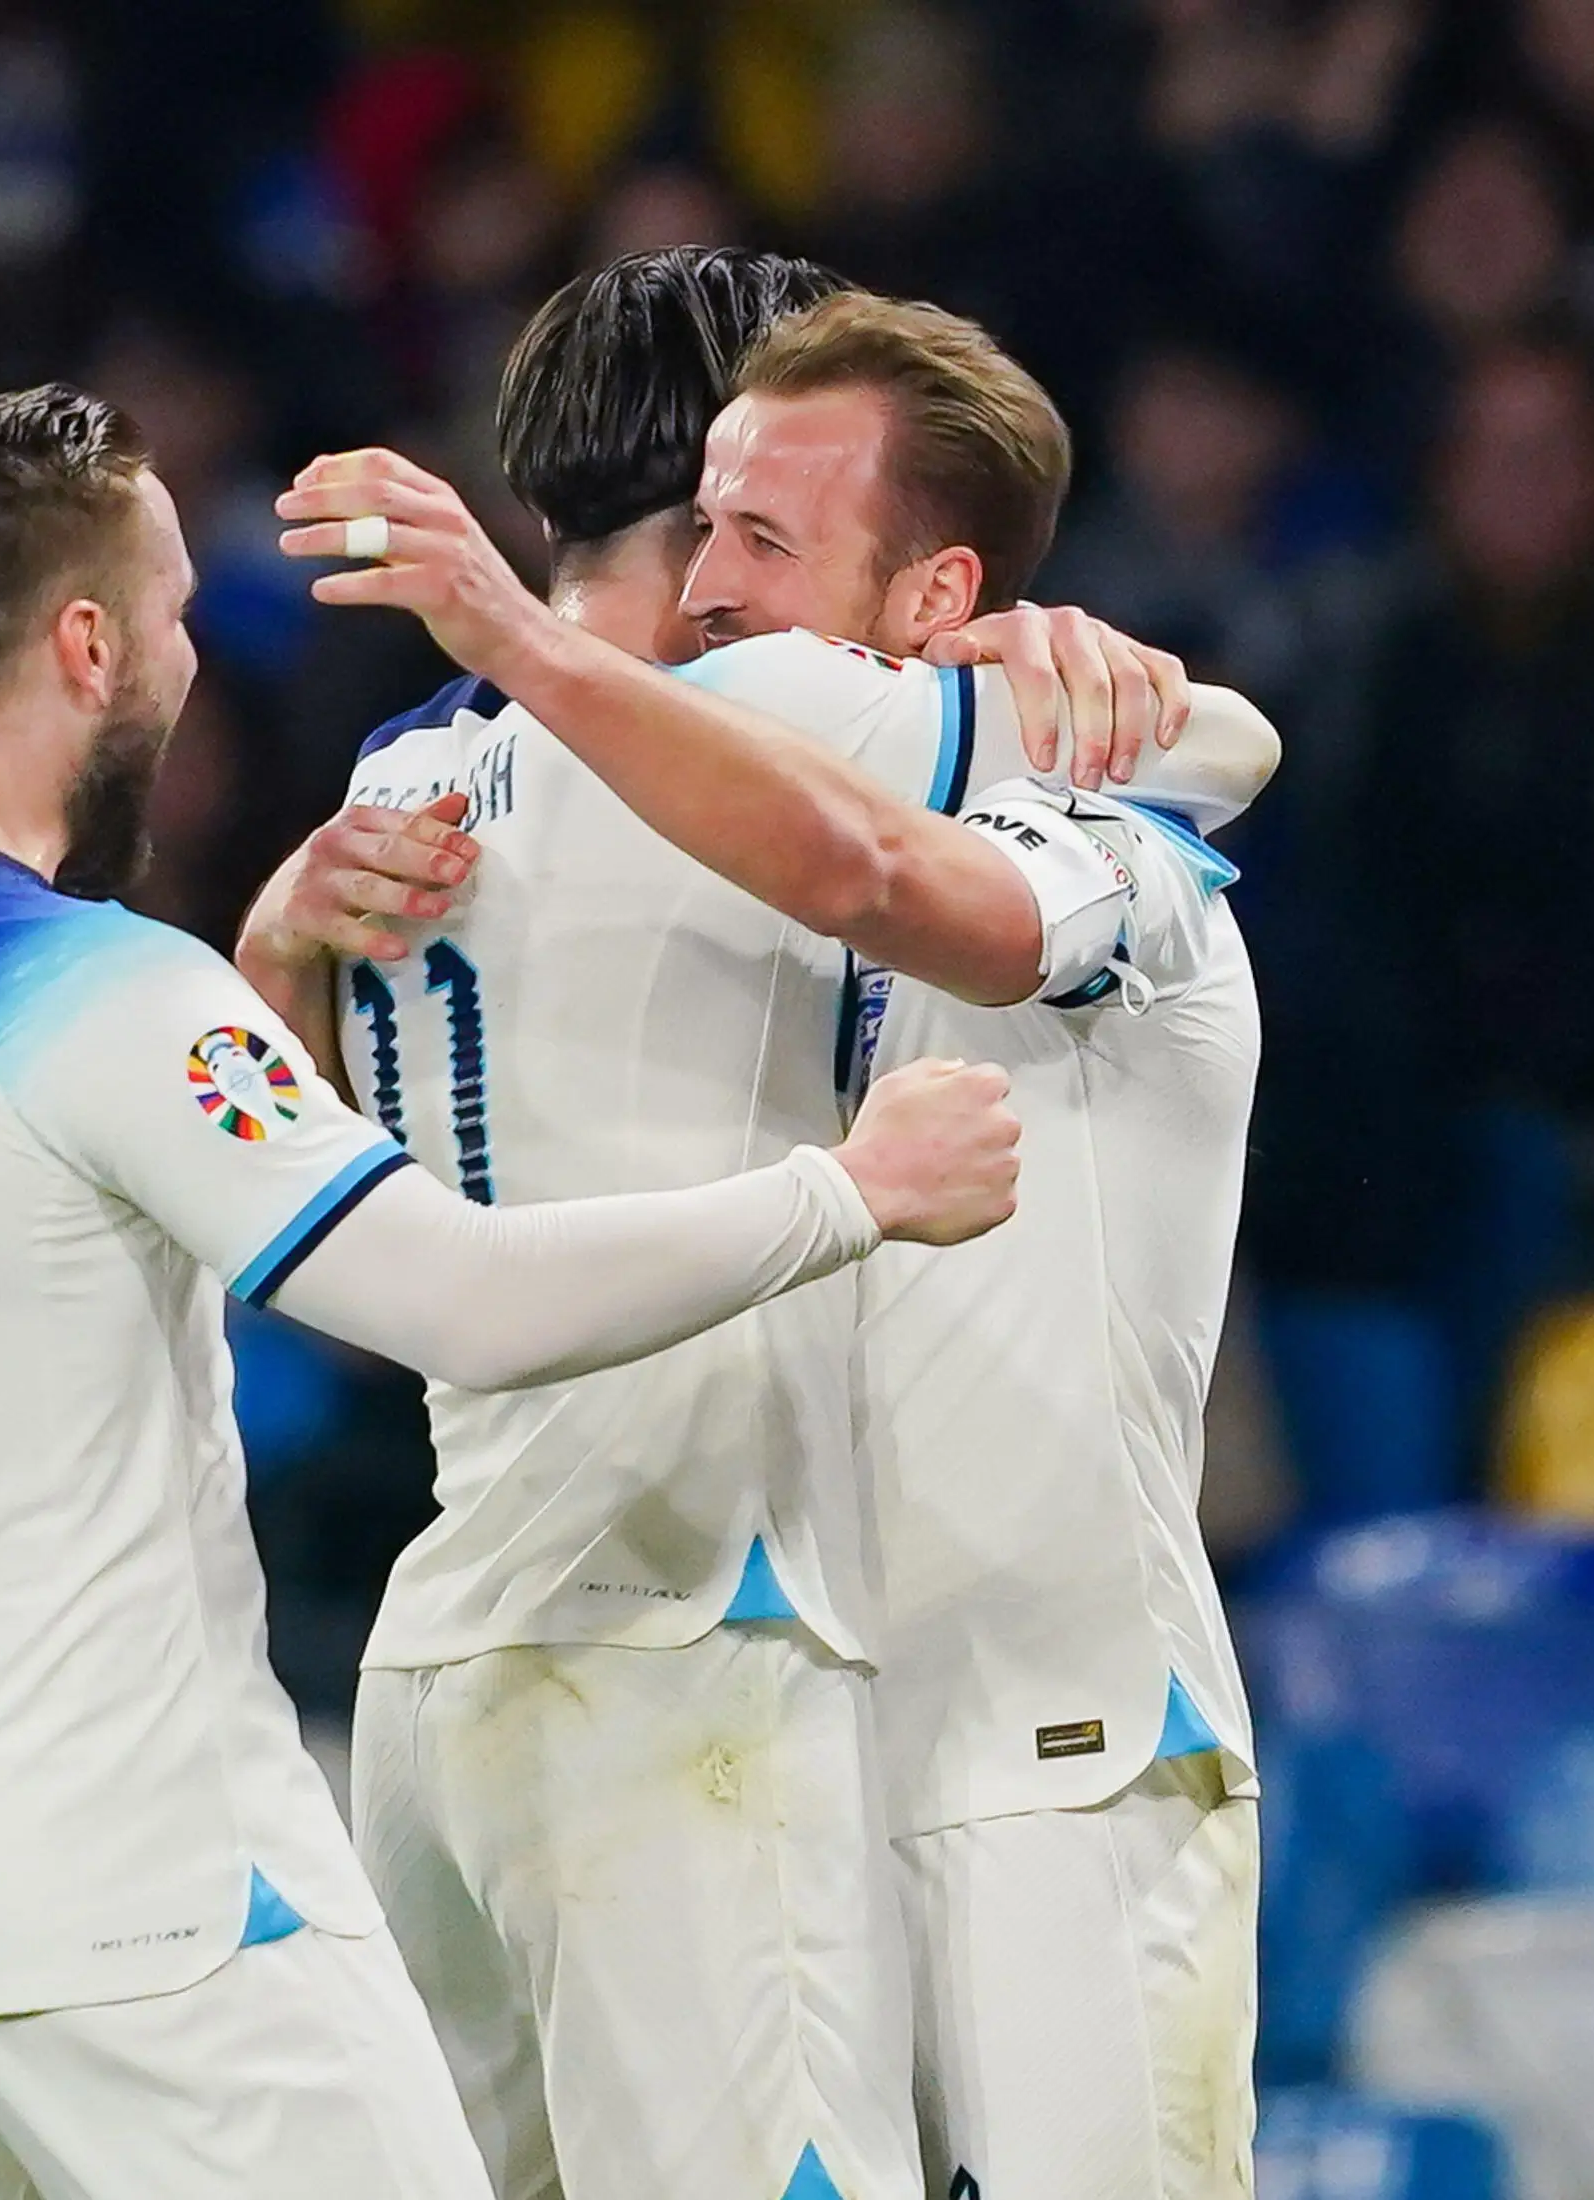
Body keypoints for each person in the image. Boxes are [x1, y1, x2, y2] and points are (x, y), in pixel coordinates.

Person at [0, 382, 1025, 2200]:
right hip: (142, 1899)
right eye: (173, 621)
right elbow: (468, 1302)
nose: (183, 676)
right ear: (87, 642)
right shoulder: (86, 980)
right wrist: (849, 1193)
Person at [243, 256, 1268, 2200]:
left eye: (767, 530)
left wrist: (277, 926)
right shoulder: (790, 715)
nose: (726, 580)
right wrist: (1136, 688)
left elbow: (294, 1198)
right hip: (708, 1650)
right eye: (723, 514)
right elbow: (1206, 755)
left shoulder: (392, 788)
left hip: (467, 1651)